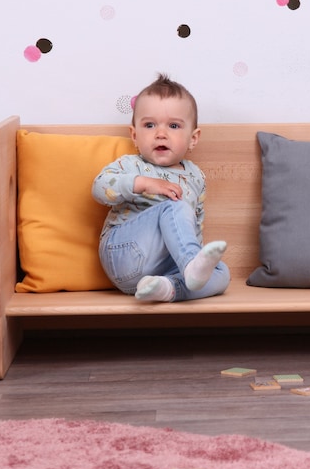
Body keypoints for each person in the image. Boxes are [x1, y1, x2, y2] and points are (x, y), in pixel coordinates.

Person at [92, 73, 230, 302]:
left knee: (222, 274)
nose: (161, 134)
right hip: (123, 255)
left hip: (164, 268)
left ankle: (168, 289)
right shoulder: (131, 164)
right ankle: (189, 268)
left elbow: (193, 227)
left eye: (174, 125)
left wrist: (198, 260)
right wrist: (145, 183)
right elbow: (99, 188)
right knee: (173, 208)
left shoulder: (196, 176)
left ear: (193, 138)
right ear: (134, 135)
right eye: (149, 125)